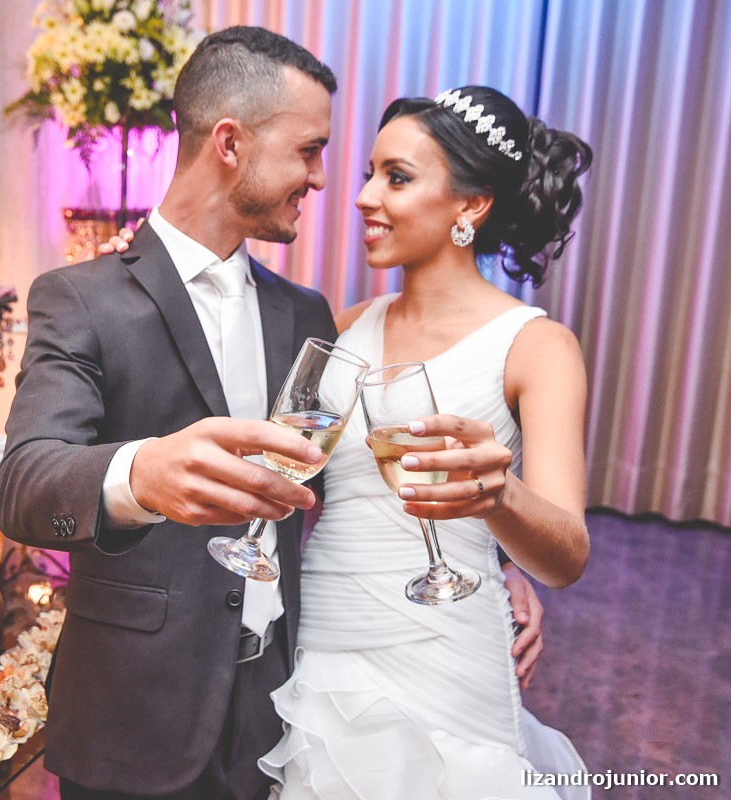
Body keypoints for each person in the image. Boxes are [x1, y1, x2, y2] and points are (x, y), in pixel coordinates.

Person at [0, 25, 540, 798]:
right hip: (135, 714)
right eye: (309, 151)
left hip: (277, 718)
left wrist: (501, 563)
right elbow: (24, 486)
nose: (322, 179)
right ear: (230, 143)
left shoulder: (307, 314)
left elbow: (363, 473)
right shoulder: (79, 299)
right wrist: (139, 475)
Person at [255, 87, 594, 798]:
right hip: (327, 635)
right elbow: (293, 476)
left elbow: (566, 557)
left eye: (398, 177)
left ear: (471, 205)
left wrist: (500, 503)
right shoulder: (344, 327)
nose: (364, 197)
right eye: (369, 174)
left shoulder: (537, 347)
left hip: (449, 644)